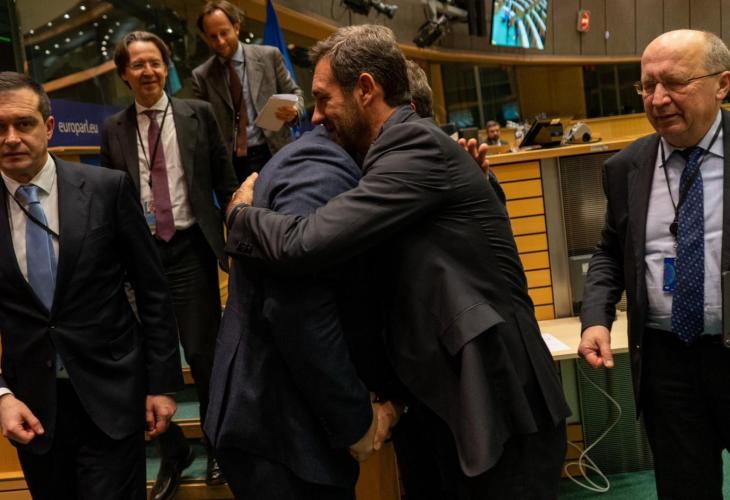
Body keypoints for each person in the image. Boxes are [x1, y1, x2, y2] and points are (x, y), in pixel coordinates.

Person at [225, 24, 570, 499]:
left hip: (496, 400)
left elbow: (304, 242)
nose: (316, 116)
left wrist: (240, 216)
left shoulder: (413, 146)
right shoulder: (391, 155)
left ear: (366, 89)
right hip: (449, 401)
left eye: (324, 99)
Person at [0, 71, 183, 499]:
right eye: (0, 127)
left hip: (113, 394)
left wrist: (161, 384)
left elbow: (152, 290)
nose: (10, 138)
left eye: (23, 124)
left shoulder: (106, 189)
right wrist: (2, 396)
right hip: (32, 411)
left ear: (48, 127)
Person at [579, 29, 730, 499]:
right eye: (648, 86)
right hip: (667, 361)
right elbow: (610, 251)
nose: (658, 99)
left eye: (675, 83)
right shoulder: (625, 167)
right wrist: (595, 318)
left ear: (722, 84)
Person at [100, 31, 237, 500]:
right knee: (142, 358)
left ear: (166, 66)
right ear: (124, 74)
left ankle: (218, 443)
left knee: (202, 354)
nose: (148, 72)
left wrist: (239, 239)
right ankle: (172, 449)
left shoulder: (198, 114)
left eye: (155, 62)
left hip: (189, 248)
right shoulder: (112, 129)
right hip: (138, 256)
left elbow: (226, 181)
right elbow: (107, 199)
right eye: (137, 64)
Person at [192, 0, 304, 183]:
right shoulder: (201, 77)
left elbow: (295, 93)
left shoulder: (269, 56)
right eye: (213, 37)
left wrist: (295, 111)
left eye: (224, 33)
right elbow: (204, 127)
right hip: (234, 163)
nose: (220, 41)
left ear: (236, 27)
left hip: (275, 151)